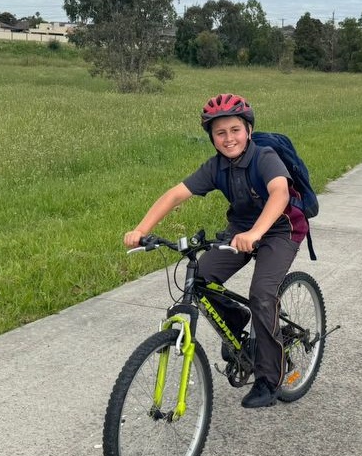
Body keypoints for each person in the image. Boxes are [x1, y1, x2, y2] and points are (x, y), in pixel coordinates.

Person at [123, 93, 308, 409]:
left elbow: (279, 193)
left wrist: (257, 232)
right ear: (211, 137)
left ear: (248, 130)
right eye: (220, 133)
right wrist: (141, 229)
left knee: (262, 294)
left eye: (235, 130)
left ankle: (269, 378)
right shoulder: (216, 167)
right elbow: (175, 195)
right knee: (201, 278)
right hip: (240, 231)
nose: (229, 138)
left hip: (280, 230)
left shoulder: (264, 158)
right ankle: (238, 322)